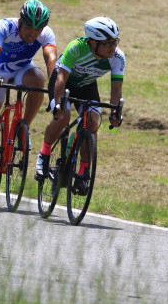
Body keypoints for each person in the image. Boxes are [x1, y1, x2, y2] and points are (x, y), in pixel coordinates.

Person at [0, 0, 57, 193]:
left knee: (39, 80)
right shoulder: (4, 26)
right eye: (29, 27)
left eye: (38, 30)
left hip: (23, 68)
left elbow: (51, 59)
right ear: (20, 22)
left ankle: (23, 128)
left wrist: (56, 88)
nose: (32, 33)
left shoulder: (46, 34)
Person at [35, 16, 125, 183]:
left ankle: (83, 172)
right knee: (63, 117)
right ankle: (44, 154)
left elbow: (116, 89)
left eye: (115, 42)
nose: (112, 47)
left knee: (91, 123)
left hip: (86, 86)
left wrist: (114, 112)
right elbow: (61, 78)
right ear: (93, 42)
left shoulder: (117, 57)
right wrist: (59, 104)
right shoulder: (76, 48)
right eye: (107, 43)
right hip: (63, 82)